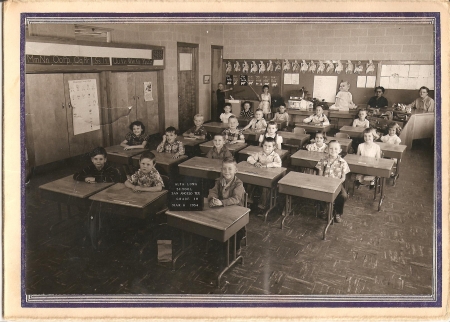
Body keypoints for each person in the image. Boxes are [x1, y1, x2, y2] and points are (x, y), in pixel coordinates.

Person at [208, 157, 246, 254]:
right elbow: (213, 191)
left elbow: (236, 199)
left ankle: (236, 247)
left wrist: (222, 202)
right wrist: (213, 198)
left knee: (237, 231)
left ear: (236, 170)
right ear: (221, 170)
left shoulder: (238, 184)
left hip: (236, 212)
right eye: (224, 169)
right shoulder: (219, 181)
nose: (226, 171)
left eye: (230, 169)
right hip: (223, 210)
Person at [315, 140, 350, 223]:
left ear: (340, 151)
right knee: (318, 192)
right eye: (331, 148)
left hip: (336, 184)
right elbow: (320, 175)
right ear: (327, 149)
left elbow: (343, 178)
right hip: (324, 183)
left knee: (343, 195)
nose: (333, 151)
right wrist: (323, 182)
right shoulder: (323, 160)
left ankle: (337, 212)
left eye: (336, 149)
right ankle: (324, 210)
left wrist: (336, 184)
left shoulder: (343, 162)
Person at [247, 137, 281, 210]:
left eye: (269, 146)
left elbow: (279, 164)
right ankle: (249, 201)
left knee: (265, 187)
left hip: (269, 177)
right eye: (265, 145)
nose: (267, 148)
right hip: (259, 175)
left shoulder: (275, 155)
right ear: (262, 145)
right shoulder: (259, 153)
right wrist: (255, 162)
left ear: (274, 147)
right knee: (250, 183)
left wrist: (267, 165)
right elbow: (249, 158)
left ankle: (262, 206)